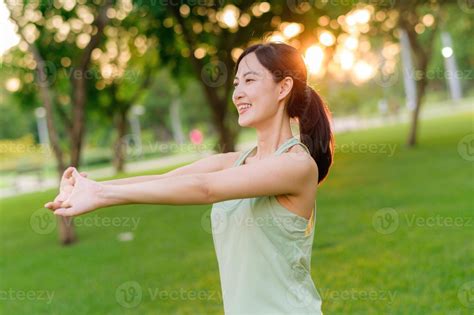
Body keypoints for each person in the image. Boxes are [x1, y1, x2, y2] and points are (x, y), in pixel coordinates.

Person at [45, 42, 334, 314]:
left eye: (249, 80)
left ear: (283, 87)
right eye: (236, 84)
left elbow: (205, 189)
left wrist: (102, 197)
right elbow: (163, 180)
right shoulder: (234, 162)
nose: (237, 94)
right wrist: (89, 187)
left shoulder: (296, 164)